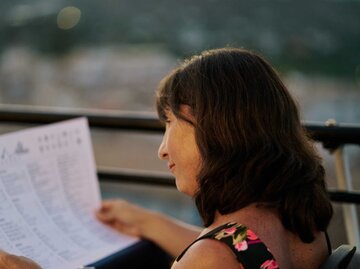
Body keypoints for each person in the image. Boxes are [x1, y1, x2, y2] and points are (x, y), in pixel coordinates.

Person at [0, 47, 333, 269]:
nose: (162, 149)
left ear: (216, 130)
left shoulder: (213, 258)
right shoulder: (300, 223)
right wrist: (148, 221)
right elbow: (240, 249)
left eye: (171, 123)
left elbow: (214, 256)